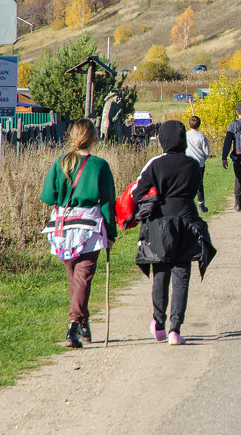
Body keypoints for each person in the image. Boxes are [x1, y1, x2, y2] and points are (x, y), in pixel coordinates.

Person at [132, 120, 216, 345]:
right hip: (187, 223)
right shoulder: (193, 164)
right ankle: (175, 330)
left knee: (160, 274)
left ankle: (158, 323)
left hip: (160, 224)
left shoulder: (156, 164)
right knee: (182, 277)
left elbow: (137, 192)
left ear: (162, 139)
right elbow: (196, 186)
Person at [40, 118, 117, 348]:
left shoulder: (60, 162)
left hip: (62, 228)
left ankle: (83, 324)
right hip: (88, 228)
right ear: (92, 137)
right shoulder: (99, 166)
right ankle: (74, 324)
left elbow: (48, 196)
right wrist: (110, 233)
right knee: (82, 277)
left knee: (76, 278)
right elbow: (107, 202)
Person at [185, 115, 210, 213]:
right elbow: (206, 152)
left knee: (187, 184)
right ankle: (201, 206)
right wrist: (204, 159)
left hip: (187, 163)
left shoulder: (185, 135)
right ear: (199, 125)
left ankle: (187, 204)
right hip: (199, 163)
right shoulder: (201, 136)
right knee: (199, 185)